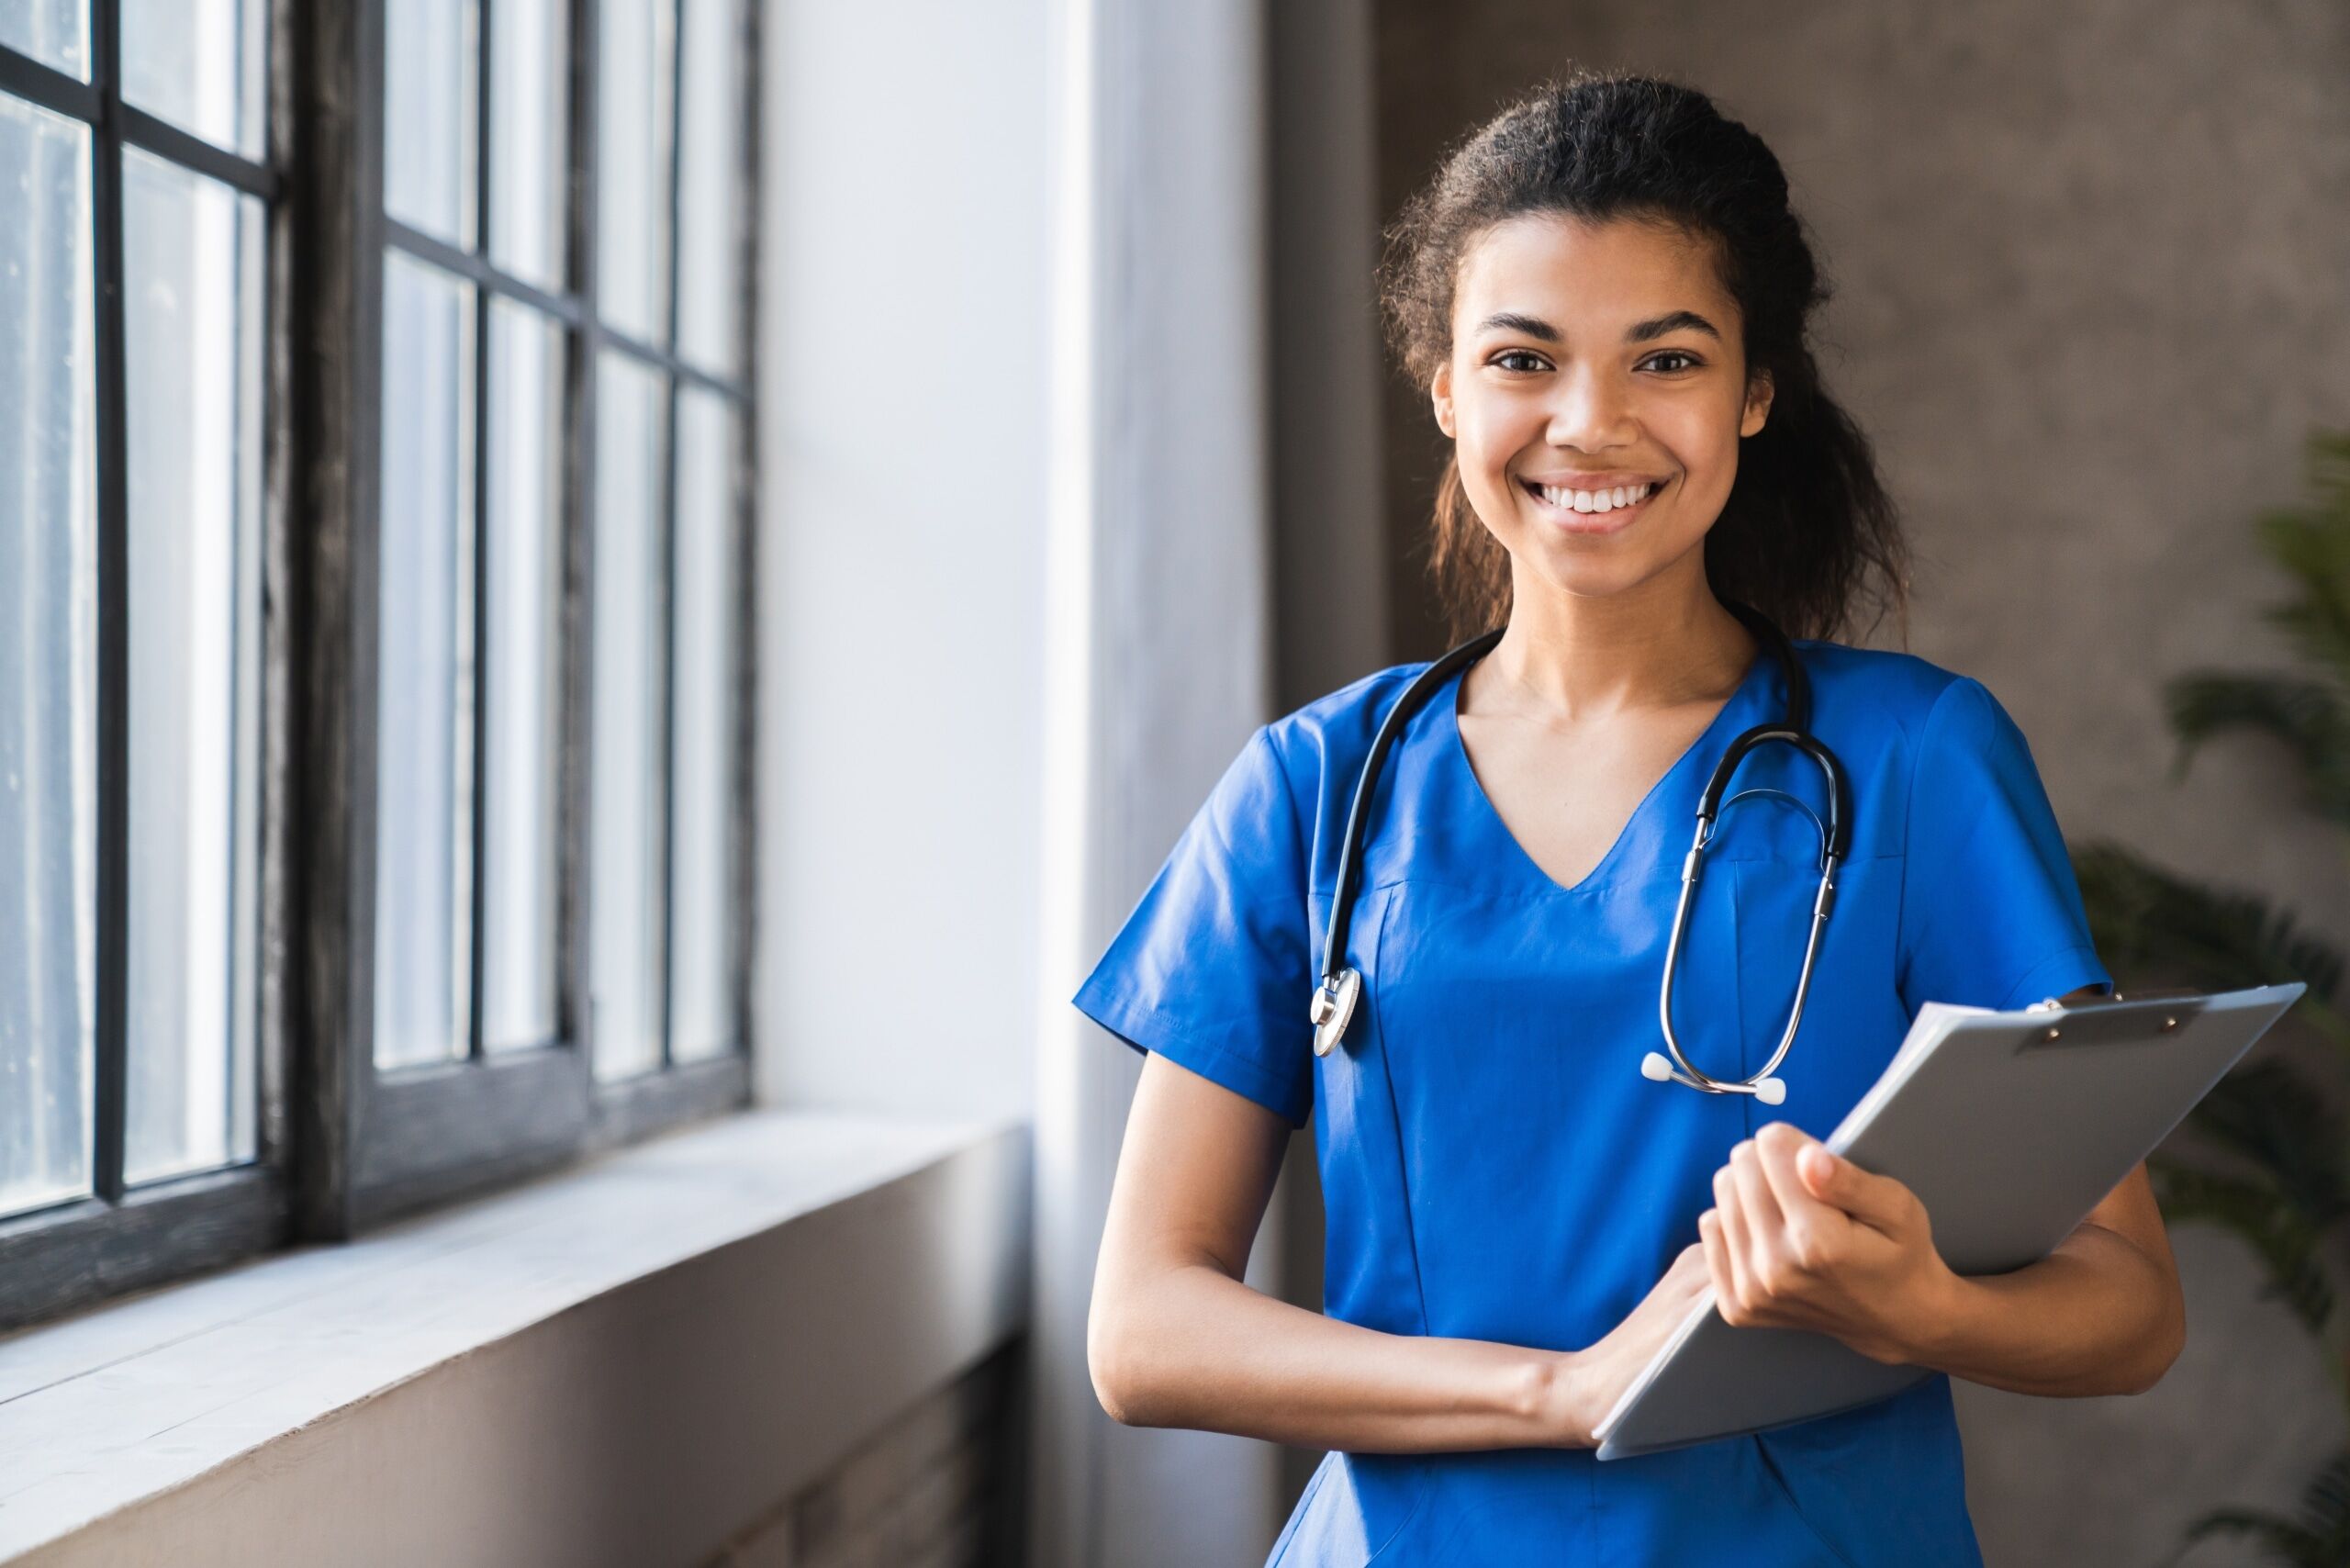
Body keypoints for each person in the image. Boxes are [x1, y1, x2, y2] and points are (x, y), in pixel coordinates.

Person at [1073, 69, 2185, 1567]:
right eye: (1524, 358)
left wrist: (1923, 1305)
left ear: (1754, 390)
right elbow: (1144, 1330)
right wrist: (1567, 1390)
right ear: (1445, 383)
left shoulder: (1917, 757)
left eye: (1666, 359)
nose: (1590, 426)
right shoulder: (1312, 789)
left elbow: (2129, 1305)